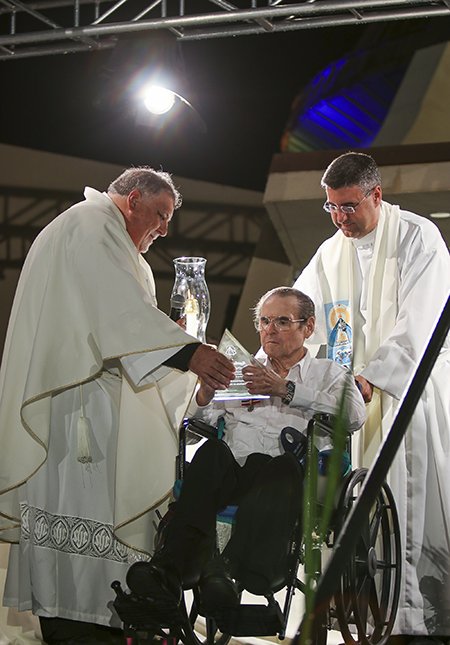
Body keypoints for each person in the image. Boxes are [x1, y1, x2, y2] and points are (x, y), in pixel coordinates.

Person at [0, 167, 235, 645]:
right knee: (85, 512)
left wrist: (186, 371)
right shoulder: (93, 224)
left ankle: (91, 619)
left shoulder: (108, 238)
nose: (164, 229)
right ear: (132, 199)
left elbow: (129, 331)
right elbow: (118, 313)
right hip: (78, 409)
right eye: (160, 215)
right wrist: (191, 352)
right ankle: (79, 622)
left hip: (91, 401)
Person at [126, 287, 366, 615]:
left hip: (288, 479)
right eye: (264, 321)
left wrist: (287, 390)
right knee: (210, 452)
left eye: (282, 321)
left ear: (308, 328)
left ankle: (228, 566)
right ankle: (170, 567)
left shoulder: (328, 374)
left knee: (276, 465)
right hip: (233, 474)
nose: (270, 329)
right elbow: (199, 428)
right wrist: (206, 393)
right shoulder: (238, 370)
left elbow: (354, 416)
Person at [293, 152, 450, 641]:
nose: (340, 219)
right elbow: (301, 309)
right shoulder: (331, 252)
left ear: (376, 195)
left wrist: (375, 376)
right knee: (351, 504)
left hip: (408, 391)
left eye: (348, 206)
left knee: (410, 503)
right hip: (351, 399)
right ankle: (363, 609)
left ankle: (416, 616)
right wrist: (270, 358)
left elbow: (421, 321)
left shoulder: (418, 236)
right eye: (331, 208)